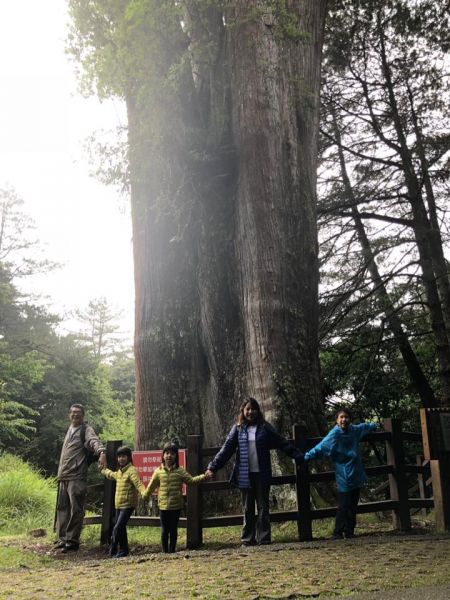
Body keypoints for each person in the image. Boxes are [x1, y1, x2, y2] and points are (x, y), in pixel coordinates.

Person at [205, 397, 303, 546]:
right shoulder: (237, 429)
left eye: (253, 409)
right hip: (245, 474)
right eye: (247, 409)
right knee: (248, 508)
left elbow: (281, 442)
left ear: (257, 411)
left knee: (263, 507)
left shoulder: (265, 427)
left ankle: (264, 538)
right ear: (243, 412)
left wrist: (298, 456)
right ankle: (248, 538)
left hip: (262, 473)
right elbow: (226, 450)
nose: (250, 412)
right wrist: (213, 467)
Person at [304, 407, 377, 539]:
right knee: (344, 504)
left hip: (356, 472)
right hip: (344, 473)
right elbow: (321, 447)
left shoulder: (354, 430)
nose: (344, 420)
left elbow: (364, 427)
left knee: (353, 504)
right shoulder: (335, 434)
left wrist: (373, 426)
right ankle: (338, 532)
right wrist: (306, 456)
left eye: (346, 417)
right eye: (341, 417)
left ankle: (350, 531)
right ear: (337, 420)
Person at [55, 403, 106, 552]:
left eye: (78, 413)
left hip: (77, 476)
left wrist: (101, 451)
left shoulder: (86, 430)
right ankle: (63, 538)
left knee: (76, 509)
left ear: (83, 415)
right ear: (69, 415)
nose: (75, 415)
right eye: (72, 412)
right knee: (63, 508)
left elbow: (93, 441)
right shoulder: (69, 429)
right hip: (64, 476)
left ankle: (72, 541)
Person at [142, 441, 206, 553]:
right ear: (163, 455)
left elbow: (191, 481)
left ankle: (172, 551)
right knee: (164, 530)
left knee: (173, 530)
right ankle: (165, 551)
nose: (169, 456)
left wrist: (204, 476)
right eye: (166, 453)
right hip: (163, 506)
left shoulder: (180, 471)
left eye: (172, 453)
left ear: (176, 456)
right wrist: (145, 495)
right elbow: (151, 486)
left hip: (176, 506)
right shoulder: (158, 471)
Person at [100, 446, 146, 558]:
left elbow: (138, 483)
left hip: (128, 504)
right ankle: (124, 550)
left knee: (117, 527)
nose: (121, 459)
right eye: (119, 456)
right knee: (121, 528)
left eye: (123, 456)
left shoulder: (131, 471)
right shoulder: (120, 472)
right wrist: (103, 470)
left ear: (129, 457)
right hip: (119, 504)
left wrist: (144, 493)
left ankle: (113, 551)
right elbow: (112, 475)